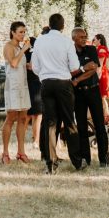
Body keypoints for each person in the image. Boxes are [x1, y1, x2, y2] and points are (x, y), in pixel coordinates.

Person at [31, 12, 82, 173]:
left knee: (50, 123)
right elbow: (74, 66)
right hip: (63, 83)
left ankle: (51, 163)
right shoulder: (66, 42)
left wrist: (44, 76)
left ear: (50, 24)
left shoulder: (39, 41)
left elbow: (35, 66)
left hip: (46, 83)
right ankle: (77, 161)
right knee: (69, 121)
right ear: (63, 26)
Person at [72, 27, 109, 167]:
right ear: (74, 38)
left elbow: (93, 68)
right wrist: (81, 70)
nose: (84, 39)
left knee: (99, 125)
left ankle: (104, 159)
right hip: (79, 94)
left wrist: (77, 79)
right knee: (81, 126)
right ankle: (85, 159)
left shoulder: (92, 50)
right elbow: (70, 72)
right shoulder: (70, 53)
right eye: (81, 37)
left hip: (93, 90)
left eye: (85, 36)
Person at [1, 21, 32, 164]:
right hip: (13, 87)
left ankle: (21, 151)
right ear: (13, 32)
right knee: (11, 118)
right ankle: (5, 152)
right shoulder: (9, 46)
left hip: (22, 86)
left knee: (23, 119)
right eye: (20, 32)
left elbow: (19, 64)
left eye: (24, 32)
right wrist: (24, 49)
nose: (23, 34)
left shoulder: (19, 47)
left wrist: (29, 65)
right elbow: (13, 63)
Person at [25, 36, 43, 147]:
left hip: (30, 83)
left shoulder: (23, 53)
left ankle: (35, 139)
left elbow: (30, 67)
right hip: (35, 84)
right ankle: (35, 140)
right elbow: (32, 67)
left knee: (30, 114)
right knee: (36, 114)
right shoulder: (33, 54)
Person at [91, 33, 109, 119]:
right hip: (102, 73)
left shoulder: (101, 49)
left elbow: (100, 65)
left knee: (101, 98)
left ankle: (105, 116)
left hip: (101, 75)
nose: (93, 41)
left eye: (94, 39)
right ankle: (104, 116)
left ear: (99, 40)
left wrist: (96, 78)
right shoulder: (99, 49)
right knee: (101, 98)